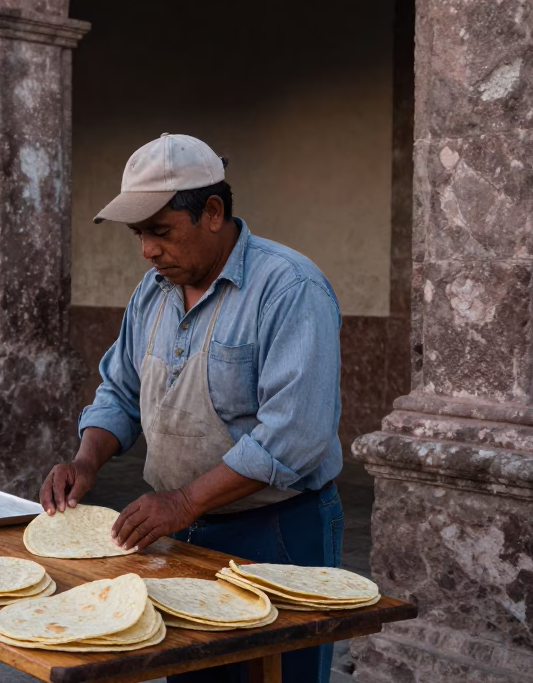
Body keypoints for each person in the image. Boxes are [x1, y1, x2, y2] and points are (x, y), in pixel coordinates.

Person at [40, 134, 344, 683]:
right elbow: (119, 391)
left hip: (278, 530)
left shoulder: (289, 288)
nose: (148, 250)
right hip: (184, 535)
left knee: (278, 675)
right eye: (140, 235)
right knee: (195, 673)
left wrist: (184, 500)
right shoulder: (152, 292)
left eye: (161, 231)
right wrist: (86, 462)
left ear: (212, 211)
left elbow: (296, 434)